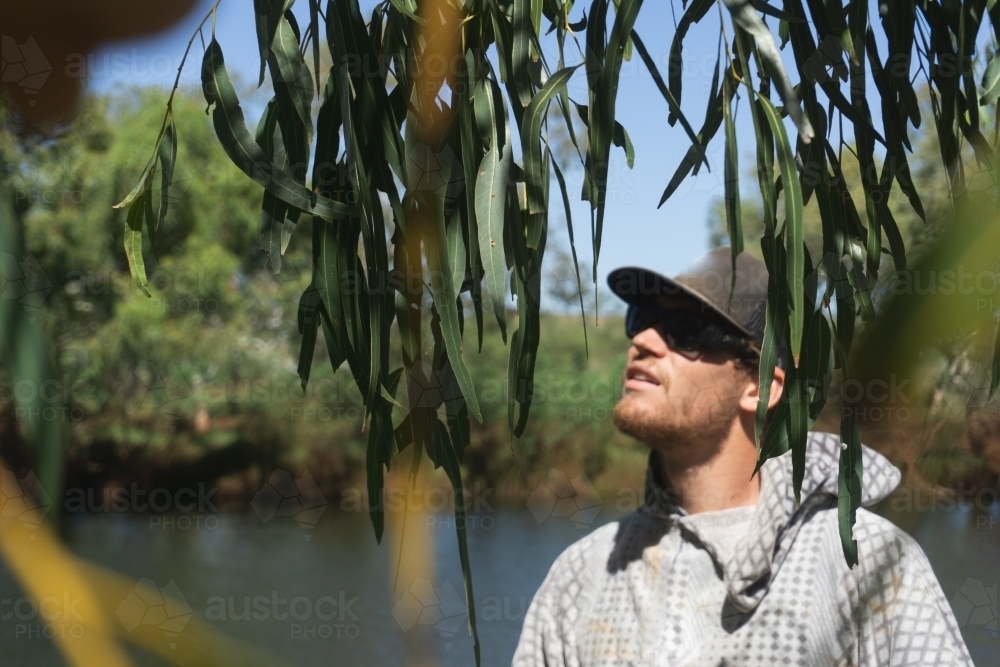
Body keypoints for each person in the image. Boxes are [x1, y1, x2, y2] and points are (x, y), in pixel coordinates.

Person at [512, 247, 973, 666]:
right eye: (640, 317)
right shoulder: (582, 573)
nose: (644, 341)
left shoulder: (869, 562)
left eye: (686, 331)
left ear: (760, 387)